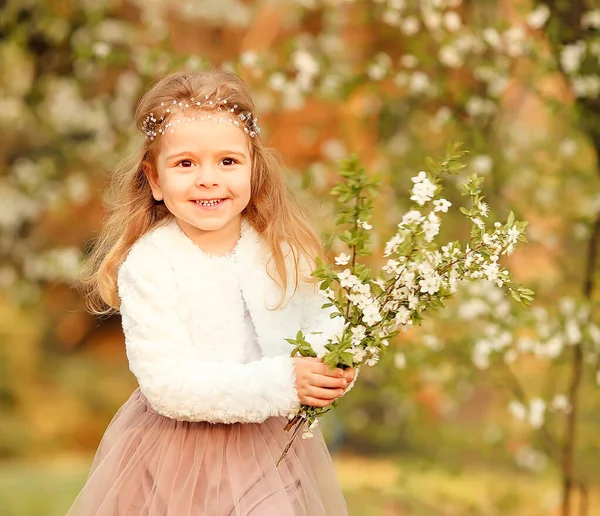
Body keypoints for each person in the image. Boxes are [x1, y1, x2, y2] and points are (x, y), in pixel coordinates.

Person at [67, 68, 356, 516]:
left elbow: (322, 317)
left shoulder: (282, 249)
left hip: (268, 445)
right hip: (178, 454)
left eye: (227, 161)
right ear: (156, 179)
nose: (208, 179)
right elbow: (167, 385)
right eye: (185, 163)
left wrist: (330, 365)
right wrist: (284, 381)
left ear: (253, 168)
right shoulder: (151, 263)